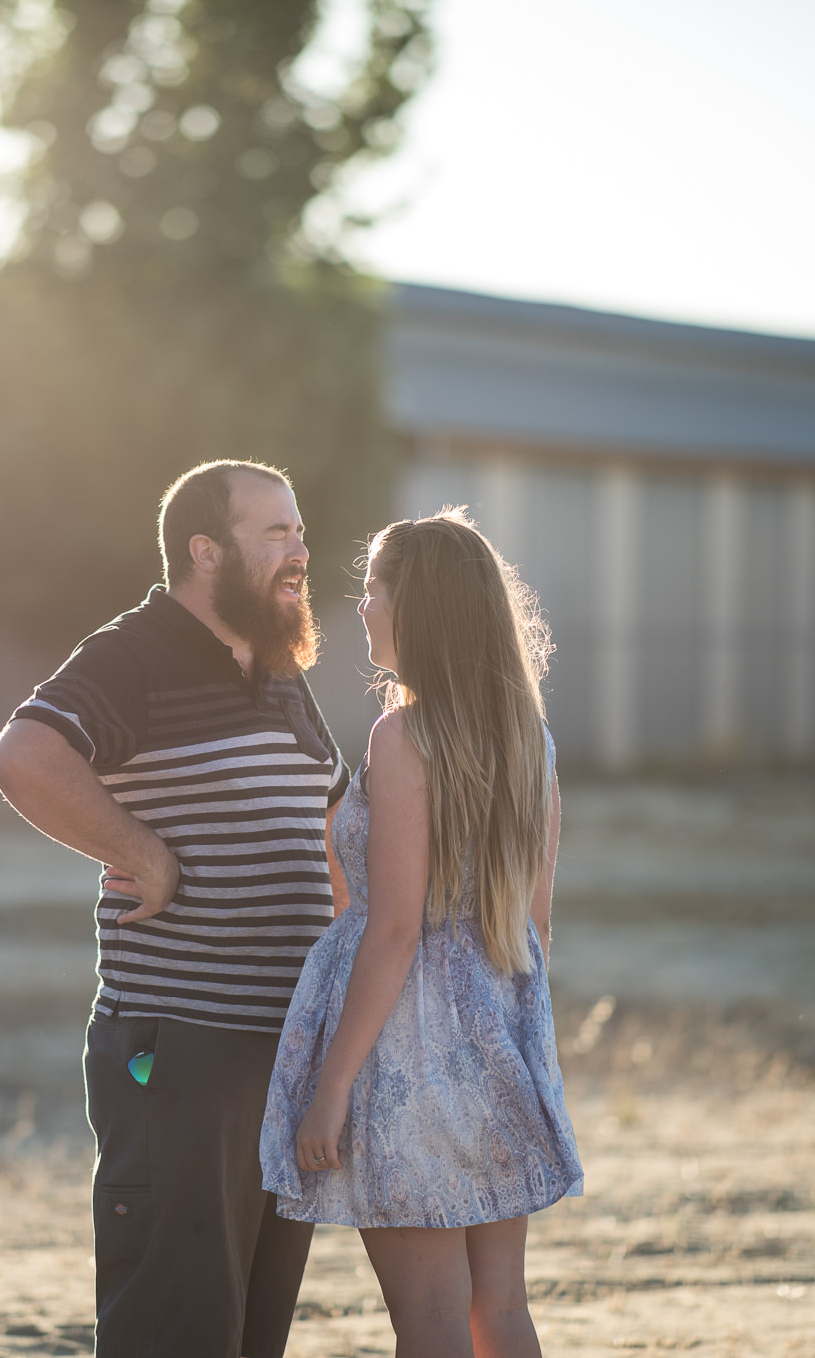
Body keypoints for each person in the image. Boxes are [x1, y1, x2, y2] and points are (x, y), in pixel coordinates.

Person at [0, 460, 351, 1358]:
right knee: (174, 1336)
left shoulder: (273, 665)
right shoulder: (136, 650)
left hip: (278, 1058)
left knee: (245, 1336)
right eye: (276, 533)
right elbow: (22, 752)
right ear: (205, 550)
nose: (300, 551)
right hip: (179, 1055)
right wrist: (138, 850)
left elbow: (334, 815)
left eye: (300, 530)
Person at [259, 509, 583, 1358]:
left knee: (432, 1321)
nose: (359, 605)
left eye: (373, 589)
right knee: (499, 1312)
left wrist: (330, 1088)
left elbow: (396, 927)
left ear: (418, 609)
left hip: (405, 1049)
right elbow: (534, 922)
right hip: (496, 1038)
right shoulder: (530, 740)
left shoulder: (403, 736)